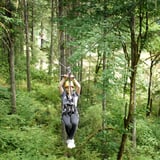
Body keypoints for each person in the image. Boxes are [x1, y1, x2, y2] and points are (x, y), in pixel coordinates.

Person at [59, 74, 81, 149]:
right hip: (65, 113)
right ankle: (70, 139)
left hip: (74, 112)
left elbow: (79, 86)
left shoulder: (75, 95)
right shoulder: (63, 95)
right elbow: (59, 86)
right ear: (66, 88)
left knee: (74, 123)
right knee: (68, 124)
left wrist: (73, 79)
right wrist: (64, 79)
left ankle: (70, 139)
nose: (69, 89)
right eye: (67, 88)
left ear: (73, 88)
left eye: (71, 87)